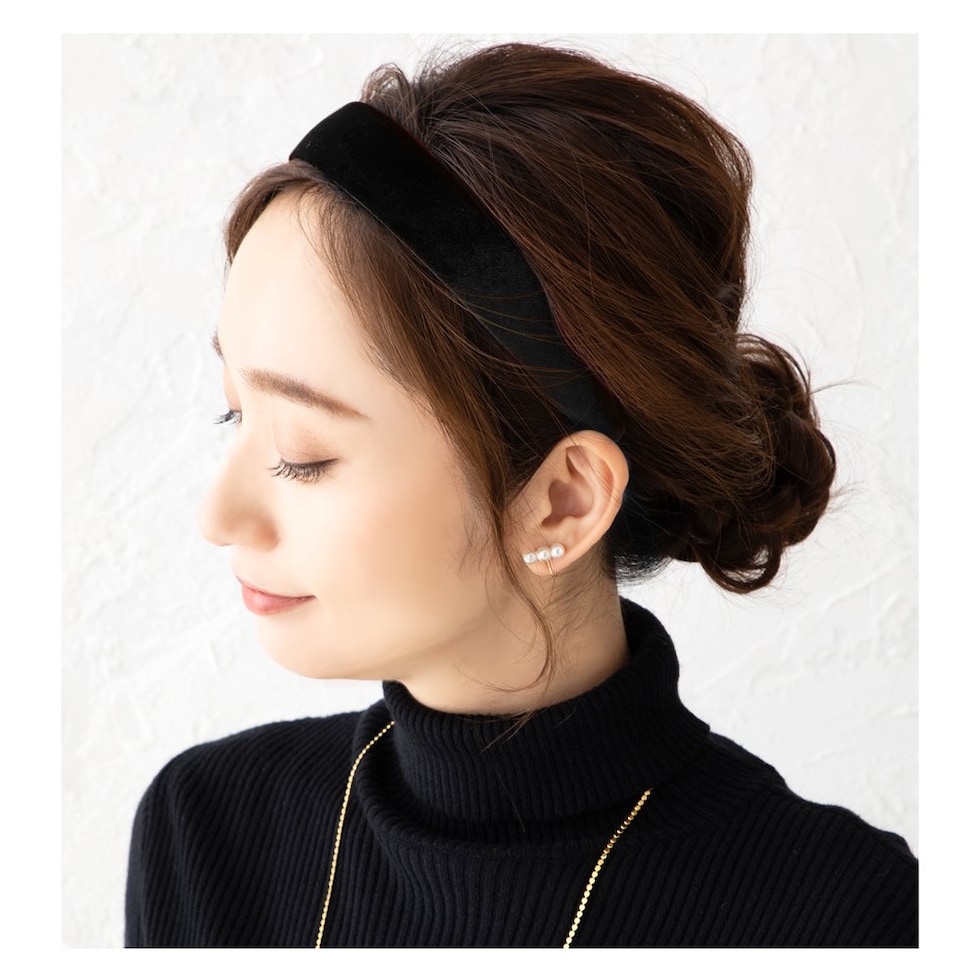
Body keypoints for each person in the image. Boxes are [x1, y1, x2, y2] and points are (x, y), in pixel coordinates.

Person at [123, 41, 917, 947]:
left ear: (562, 502)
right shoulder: (208, 836)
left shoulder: (847, 919)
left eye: (303, 455)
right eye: (234, 414)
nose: (217, 517)